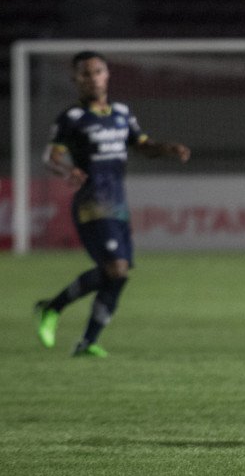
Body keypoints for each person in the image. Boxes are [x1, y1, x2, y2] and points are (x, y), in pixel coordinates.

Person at [35, 50, 191, 357]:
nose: (92, 78)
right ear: (75, 80)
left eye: (97, 71)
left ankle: (87, 342)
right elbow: (51, 157)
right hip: (92, 203)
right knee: (116, 268)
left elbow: (142, 146)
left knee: (119, 274)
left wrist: (167, 148)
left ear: (107, 75)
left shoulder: (121, 112)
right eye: (85, 73)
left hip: (118, 203)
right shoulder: (72, 118)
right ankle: (51, 308)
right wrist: (69, 169)